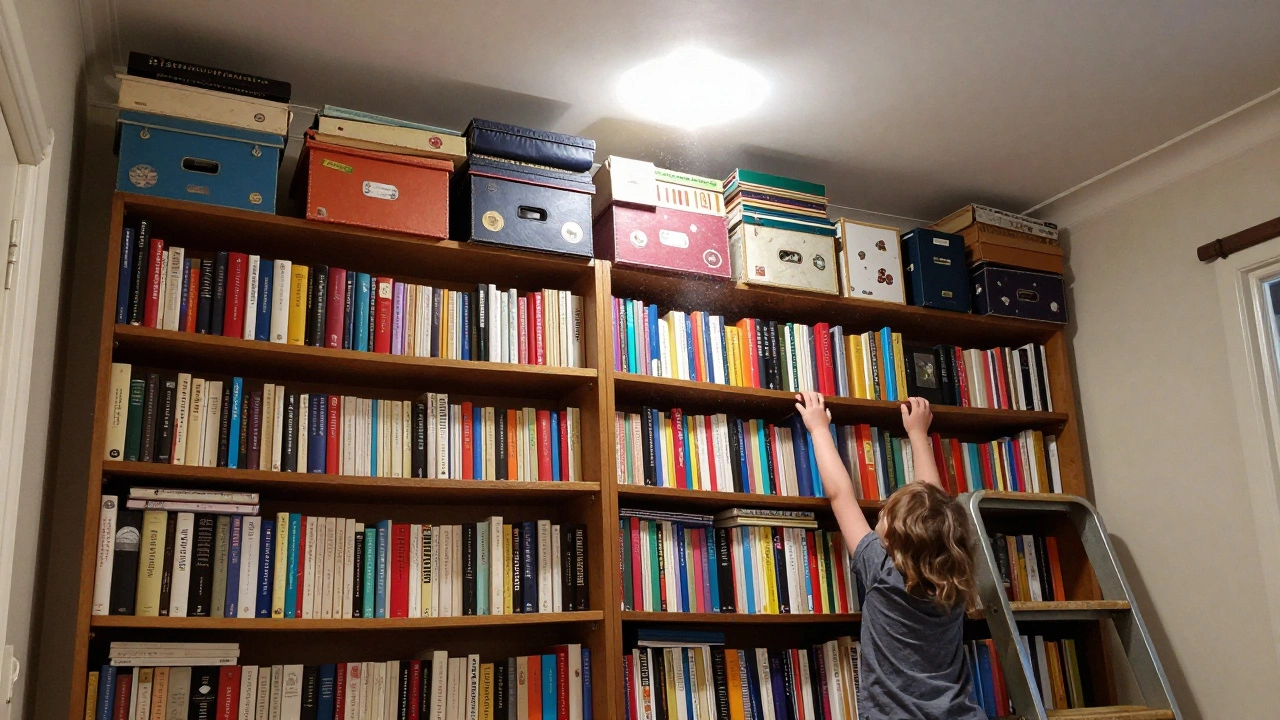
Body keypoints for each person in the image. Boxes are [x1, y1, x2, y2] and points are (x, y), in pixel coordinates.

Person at [795, 391, 985, 720]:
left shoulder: (882, 571)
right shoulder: (955, 581)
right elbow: (936, 509)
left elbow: (840, 495)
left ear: (894, 541)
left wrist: (818, 429)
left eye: (884, 516)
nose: (879, 513)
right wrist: (917, 434)